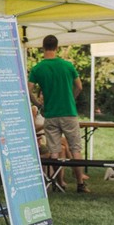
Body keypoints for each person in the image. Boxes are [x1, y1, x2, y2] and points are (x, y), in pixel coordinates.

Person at [28, 35, 90, 193]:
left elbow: (28, 91)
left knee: (54, 151)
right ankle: (80, 183)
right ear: (57, 47)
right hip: (69, 112)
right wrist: (72, 98)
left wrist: (38, 104)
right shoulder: (67, 66)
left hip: (51, 114)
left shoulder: (38, 68)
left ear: (43, 48)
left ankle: (55, 182)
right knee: (75, 149)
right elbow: (79, 86)